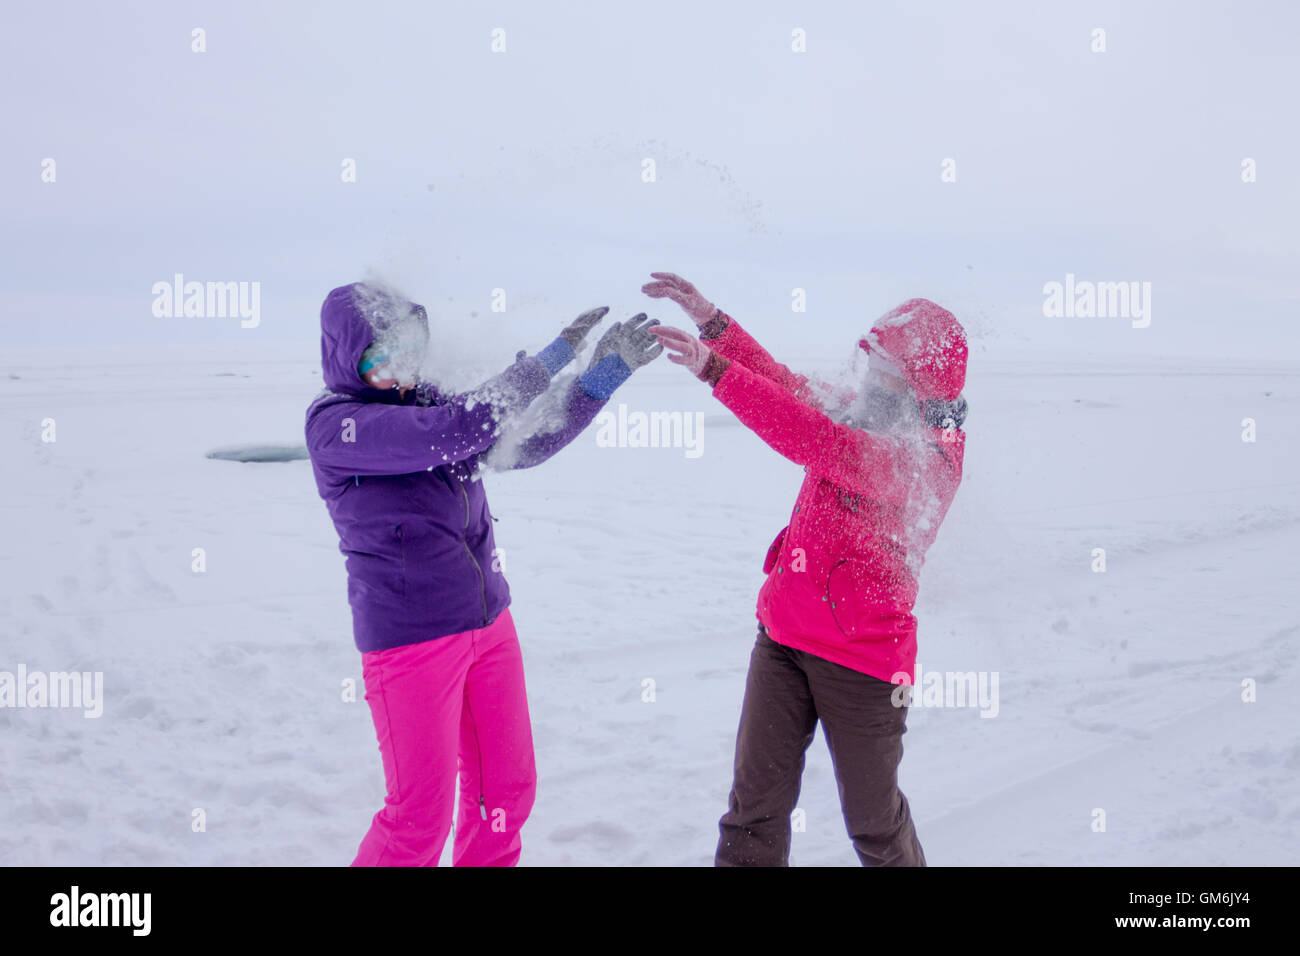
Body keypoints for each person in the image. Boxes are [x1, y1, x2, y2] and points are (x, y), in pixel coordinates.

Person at [305, 281, 661, 866]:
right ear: (348, 357)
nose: (400, 371)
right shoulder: (338, 427)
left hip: (490, 625)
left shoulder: (430, 403)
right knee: (418, 820)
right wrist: (549, 359)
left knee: (506, 795)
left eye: (408, 351)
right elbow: (458, 430)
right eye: (381, 358)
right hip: (410, 641)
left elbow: (523, 443)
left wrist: (600, 378)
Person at [643, 272, 968, 867]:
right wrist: (714, 324)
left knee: (874, 825)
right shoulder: (864, 411)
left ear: (920, 385)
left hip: (864, 662)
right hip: (784, 639)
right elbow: (788, 389)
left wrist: (715, 371)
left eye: (889, 372)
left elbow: (815, 440)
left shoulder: (926, 460)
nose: (872, 379)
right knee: (752, 815)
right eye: (874, 363)